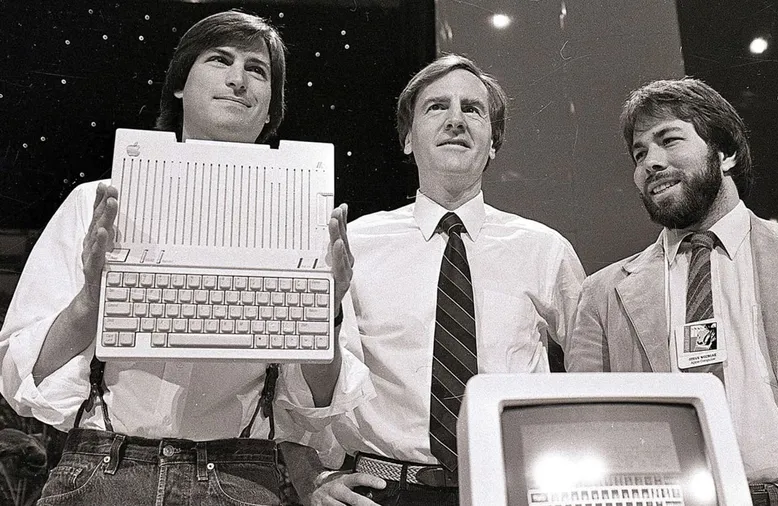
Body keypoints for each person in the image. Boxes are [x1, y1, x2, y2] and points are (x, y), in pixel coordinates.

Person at [0, 10, 371, 505]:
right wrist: (90, 299)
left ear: (269, 110)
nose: (238, 80)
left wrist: (326, 316)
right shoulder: (99, 204)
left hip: (237, 478)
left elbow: (318, 403)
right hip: (102, 471)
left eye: (257, 70)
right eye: (220, 60)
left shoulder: (307, 221)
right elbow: (25, 374)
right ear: (179, 85)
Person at [566, 78, 778, 505]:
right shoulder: (602, 295)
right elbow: (590, 437)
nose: (651, 162)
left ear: (726, 154)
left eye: (669, 140)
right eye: (640, 153)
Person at [310, 54, 585, 505]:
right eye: (437, 107)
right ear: (407, 139)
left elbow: (592, 376)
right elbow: (317, 389)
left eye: (472, 109)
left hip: (512, 488)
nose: (456, 120)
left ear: (492, 144)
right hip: (385, 492)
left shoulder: (545, 249)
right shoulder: (355, 245)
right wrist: (315, 477)